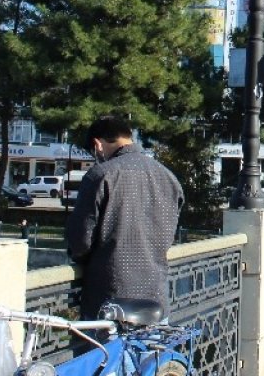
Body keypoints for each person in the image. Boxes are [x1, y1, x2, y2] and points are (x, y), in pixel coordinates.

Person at [67, 115, 185, 321]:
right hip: (155, 299)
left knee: (103, 354)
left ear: (97, 145)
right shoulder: (168, 177)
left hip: (110, 300)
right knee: (152, 353)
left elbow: (80, 242)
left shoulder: (100, 175)